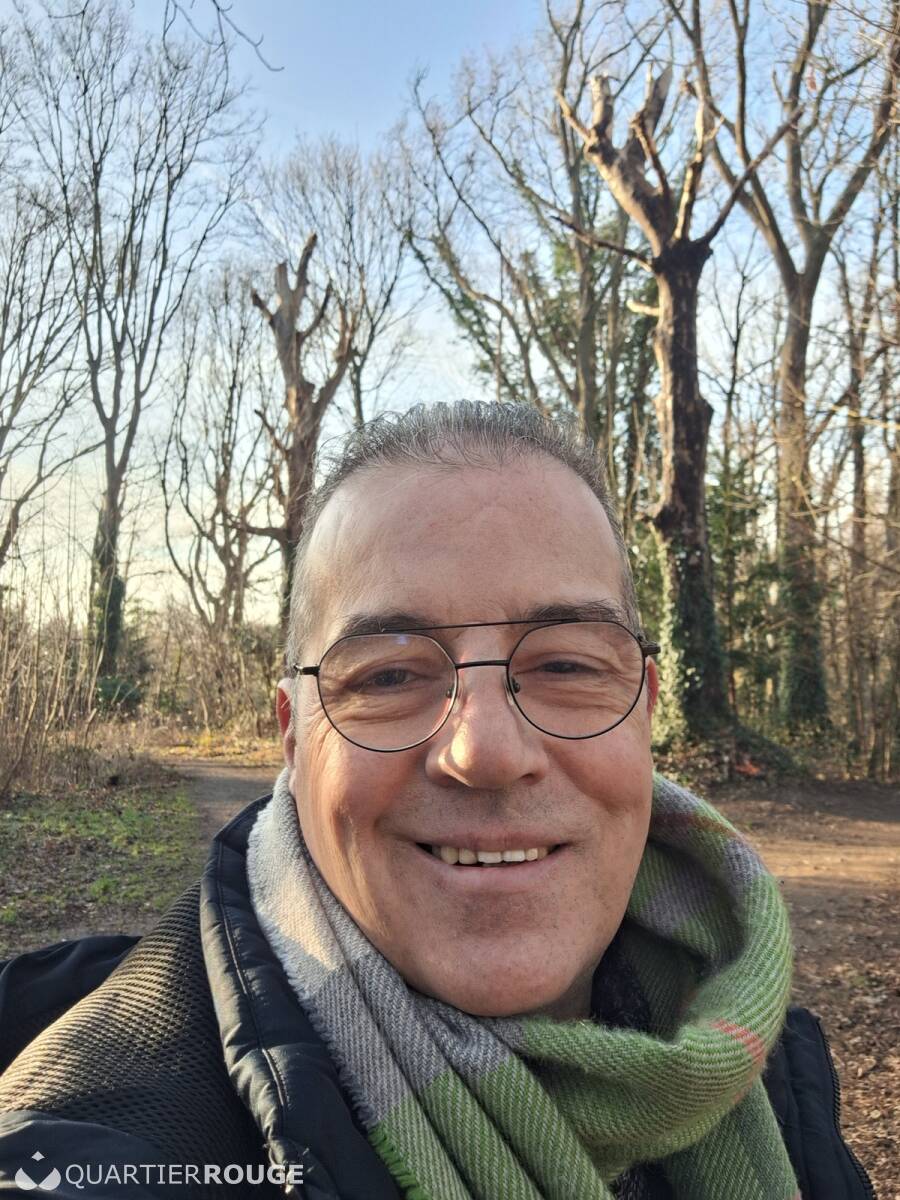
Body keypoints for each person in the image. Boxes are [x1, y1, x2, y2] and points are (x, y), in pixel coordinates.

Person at [0, 402, 872, 1199]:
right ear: (294, 737)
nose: (485, 752)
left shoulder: (762, 1063)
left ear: (643, 711)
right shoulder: (93, 1144)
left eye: (566, 663)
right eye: (388, 676)